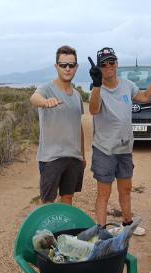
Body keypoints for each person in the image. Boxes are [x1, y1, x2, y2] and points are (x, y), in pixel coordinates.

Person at [88, 47, 151, 235]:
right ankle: (100, 230)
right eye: (104, 64)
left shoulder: (126, 84)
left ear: (116, 63)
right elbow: (93, 110)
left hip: (124, 148)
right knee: (104, 194)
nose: (108, 66)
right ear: (99, 68)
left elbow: (145, 96)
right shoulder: (96, 88)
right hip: (105, 149)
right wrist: (97, 85)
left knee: (126, 189)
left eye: (111, 62)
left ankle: (127, 224)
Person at [30, 45, 86, 205]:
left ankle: (64, 230)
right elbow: (34, 98)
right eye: (63, 65)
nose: (67, 69)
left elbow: (78, 126)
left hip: (74, 157)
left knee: (68, 198)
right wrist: (45, 102)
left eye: (71, 65)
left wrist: (83, 155)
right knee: (48, 201)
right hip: (51, 157)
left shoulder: (77, 95)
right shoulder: (47, 88)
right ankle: (46, 230)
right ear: (56, 67)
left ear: (76, 67)